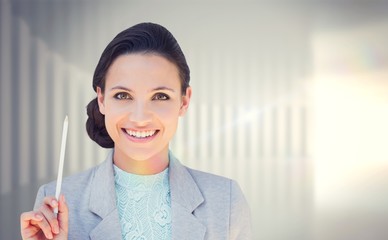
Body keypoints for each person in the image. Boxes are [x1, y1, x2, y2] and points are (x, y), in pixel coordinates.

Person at [20, 22, 252, 240]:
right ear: (101, 99)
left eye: (160, 96)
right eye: (123, 95)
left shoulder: (226, 201)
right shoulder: (55, 202)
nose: (140, 118)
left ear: (184, 101)